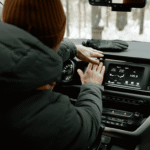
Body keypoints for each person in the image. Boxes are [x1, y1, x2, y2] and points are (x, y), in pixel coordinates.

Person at [0, 0, 105, 150]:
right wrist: (92, 86)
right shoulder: (48, 118)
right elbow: (88, 127)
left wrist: (71, 48)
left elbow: (25, 52)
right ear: (58, 38)